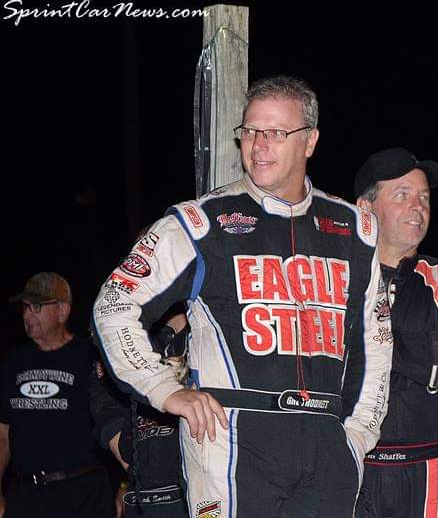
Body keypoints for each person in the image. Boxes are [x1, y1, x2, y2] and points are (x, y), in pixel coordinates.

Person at [92, 75, 393, 518]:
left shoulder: (356, 230)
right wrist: (163, 389)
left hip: (328, 445)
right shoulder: (200, 222)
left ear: (310, 141)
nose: (258, 145)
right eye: (250, 131)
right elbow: (114, 304)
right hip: (231, 440)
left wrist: (360, 432)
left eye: (275, 132)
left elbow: (376, 340)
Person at [353, 148, 438, 518]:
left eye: (424, 197)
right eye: (402, 194)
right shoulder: (333, 279)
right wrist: (420, 351)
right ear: (365, 207)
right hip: (351, 466)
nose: (418, 207)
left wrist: (366, 341)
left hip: (430, 470)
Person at [1, 272, 114, 518]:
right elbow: (2, 434)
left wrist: (128, 483)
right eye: (24, 307)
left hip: (84, 495)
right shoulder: (14, 362)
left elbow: (118, 421)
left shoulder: (91, 358)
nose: (27, 315)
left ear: (63, 311)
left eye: (36, 306)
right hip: (26, 495)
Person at [89, 309, 189, 518]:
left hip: (198, 488)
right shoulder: (132, 335)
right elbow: (106, 408)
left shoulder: (209, 332)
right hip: (146, 493)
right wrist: (130, 471)